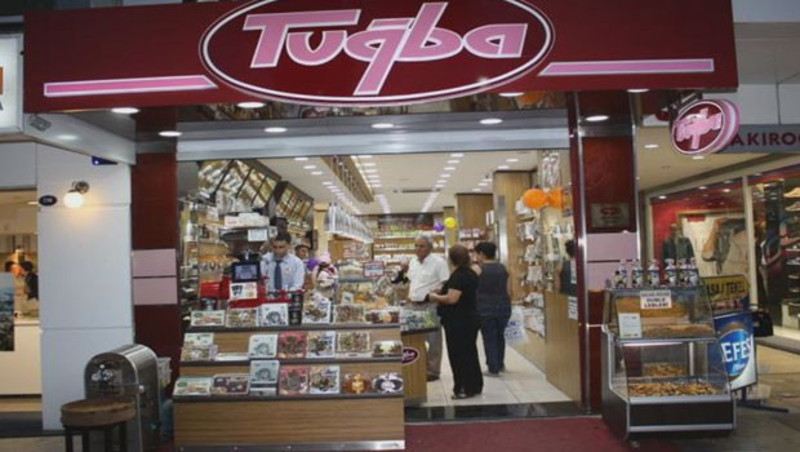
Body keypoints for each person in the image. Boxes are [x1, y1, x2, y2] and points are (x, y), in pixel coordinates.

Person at [429, 245, 483, 398]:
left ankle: (463, 388)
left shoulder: (458, 276)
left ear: (451, 259)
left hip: (458, 322)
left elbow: (452, 299)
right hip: (470, 318)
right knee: (470, 353)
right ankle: (474, 385)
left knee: (458, 355)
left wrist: (435, 297)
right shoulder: (470, 273)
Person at [398, 236, 450, 382]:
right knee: (414, 337)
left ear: (430, 248)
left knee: (433, 340)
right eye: (416, 245)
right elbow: (411, 281)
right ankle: (418, 367)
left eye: (422, 246)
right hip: (412, 305)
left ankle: (433, 371)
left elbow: (445, 284)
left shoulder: (439, 262)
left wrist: (435, 293)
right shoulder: (413, 262)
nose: (418, 249)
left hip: (429, 305)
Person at [473, 242, 512, 376]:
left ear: (481, 254)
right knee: (500, 336)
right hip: (504, 305)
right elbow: (509, 290)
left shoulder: (478, 269)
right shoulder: (504, 268)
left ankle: (493, 367)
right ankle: (500, 364)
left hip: (484, 306)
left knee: (489, 337)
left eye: (477, 254)